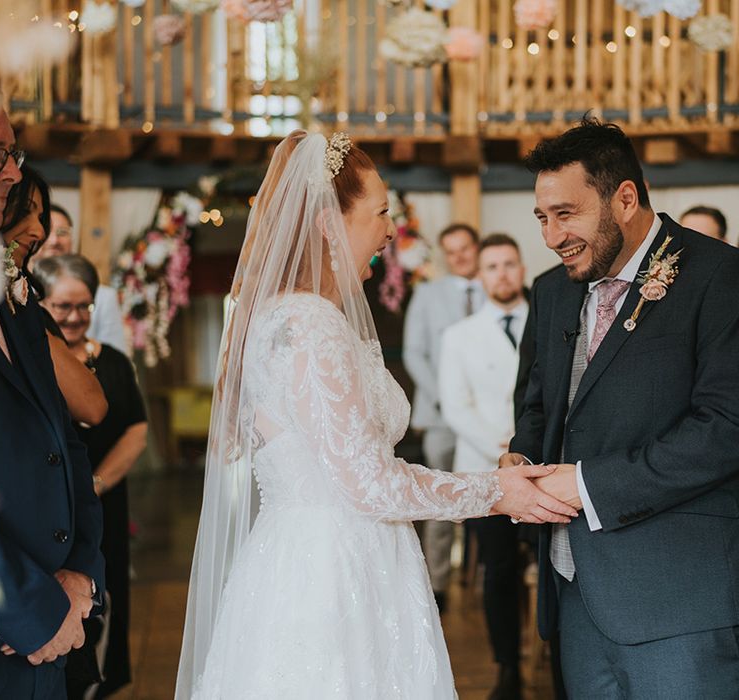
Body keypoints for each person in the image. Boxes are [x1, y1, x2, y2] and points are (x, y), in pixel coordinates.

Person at [174, 131, 577, 699]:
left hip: (306, 556)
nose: (391, 230)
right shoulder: (309, 324)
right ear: (326, 224)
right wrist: (495, 492)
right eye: (381, 213)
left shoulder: (283, 318)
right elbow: (367, 483)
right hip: (333, 577)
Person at [503, 116, 739, 698]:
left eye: (566, 214)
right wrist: (521, 457)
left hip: (677, 600)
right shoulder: (552, 290)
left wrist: (586, 485)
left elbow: (726, 429)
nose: (552, 236)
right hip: (573, 591)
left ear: (625, 198)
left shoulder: (720, 276)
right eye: (542, 217)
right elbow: (539, 405)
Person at [0, 72, 104, 700]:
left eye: (14, 156)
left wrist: (81, 575)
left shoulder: (11, 298)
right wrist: (27, 609)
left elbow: (65, 444)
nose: (12, 174)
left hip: (47, 640)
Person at [33, 254, 148, 698]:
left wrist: (95, 484)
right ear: (42, 307)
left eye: (85, 306)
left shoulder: (114, 362)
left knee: (106, 598)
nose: (76, 317)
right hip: (50, 509)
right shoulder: (34, 362)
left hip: (102, 503)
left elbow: (135, 430)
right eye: (64, 307)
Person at [439, 233, 528, 700]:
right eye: (492, 266)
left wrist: (528, 444)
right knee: (500, 570)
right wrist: (503, 448)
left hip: (546, 463)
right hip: (485, 470)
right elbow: (455, 408)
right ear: (480, 276)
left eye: (510, 264)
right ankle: (507, 667)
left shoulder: (549, 321)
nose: (502, 274)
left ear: (523, 269)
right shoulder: (459, 336)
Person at [402, 222, 484, 612]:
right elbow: (413, 353)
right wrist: (443, 397)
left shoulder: (496, 290)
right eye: (451, 252)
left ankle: (486, 577)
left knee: (490, 494)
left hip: (488, 420)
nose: (459, 258)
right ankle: (437, 584)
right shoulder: (427, 295)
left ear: (476, 247)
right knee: (440, 500)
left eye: (465, 249)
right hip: (439, 416)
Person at [1, 164, 108, 427]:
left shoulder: (29, 311)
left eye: (41, 219)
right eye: (25, 211)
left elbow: (92, 406)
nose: (39, 233)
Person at [33, 204, 127, 355]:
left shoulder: (104, 297)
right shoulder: (18, 294)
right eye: (46, 231)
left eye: (62, 232)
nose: (54, 240)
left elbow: (116, 357)